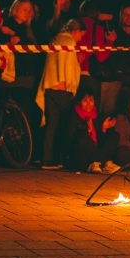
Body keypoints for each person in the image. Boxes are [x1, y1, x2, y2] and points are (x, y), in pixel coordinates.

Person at [36, 18, 85, 169]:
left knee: (51, 126)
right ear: (76, 32)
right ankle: (59, 158)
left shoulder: (56, 39)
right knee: (64, 126)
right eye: (81, 35)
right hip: (62, 89)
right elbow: (67, 67)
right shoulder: (69, 43)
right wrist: (68, 84)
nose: (80, 39)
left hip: (50, 86)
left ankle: (45, 159)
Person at [66, 89, 120, 174]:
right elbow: (69, 141)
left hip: (94, 152)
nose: (88, 104)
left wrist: (103, 128)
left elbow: (99, 141)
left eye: (91, 100)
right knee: (82, 135)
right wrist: (87, 130)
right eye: (85, 101)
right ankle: (104, 163)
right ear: (79, 102)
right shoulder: (74, 115)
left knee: (114, 135)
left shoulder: (95, 115)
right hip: (80, 156)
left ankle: (98, 163)